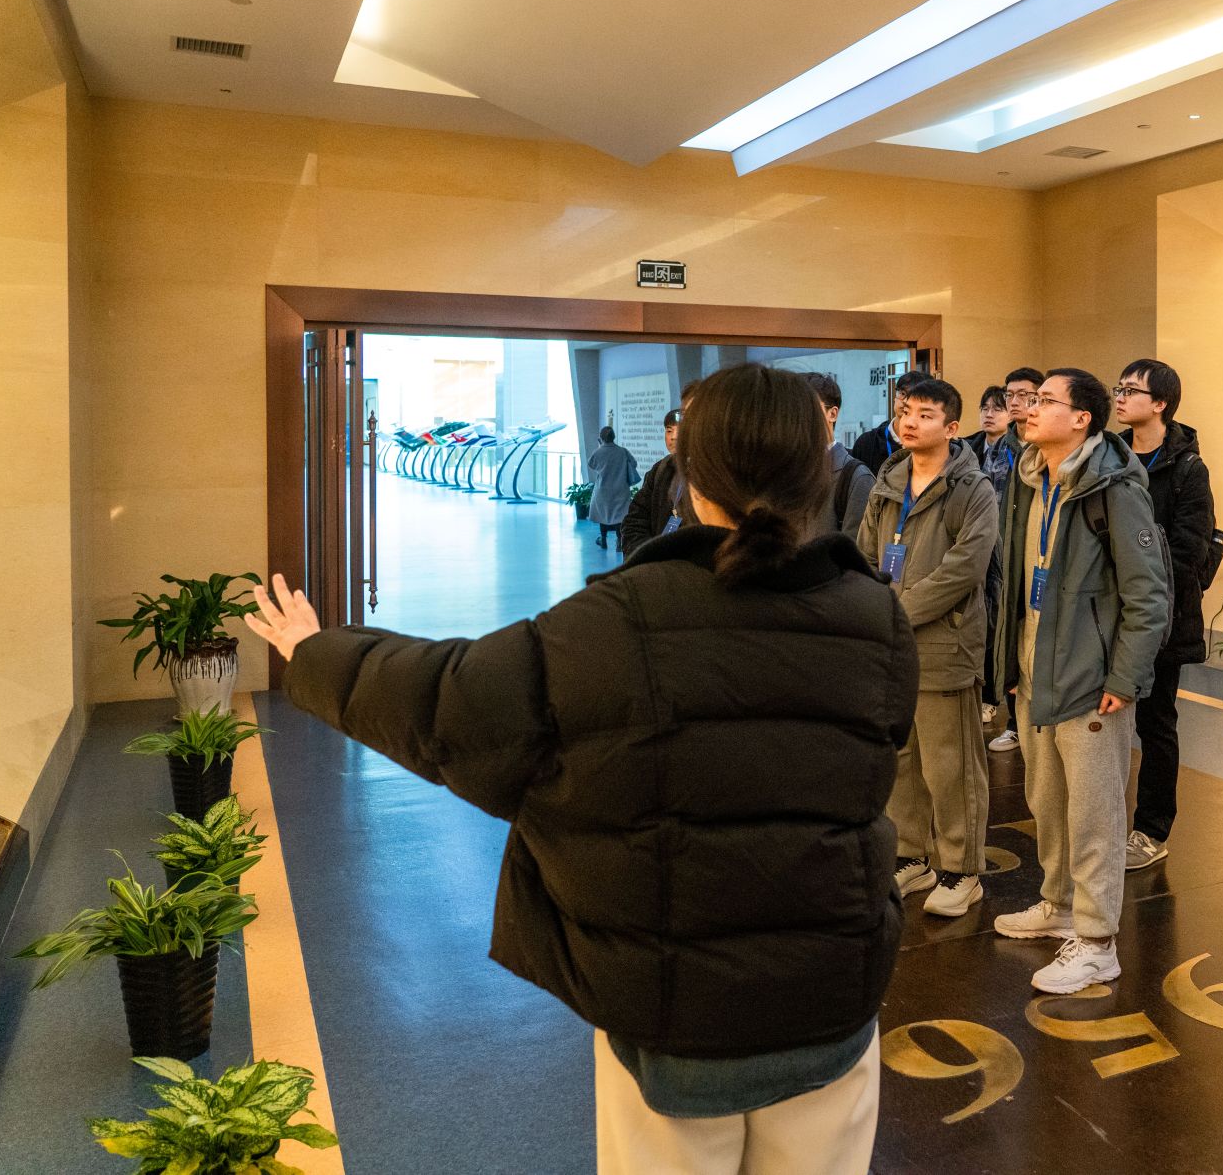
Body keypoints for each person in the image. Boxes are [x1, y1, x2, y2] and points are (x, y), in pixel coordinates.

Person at [249, 364, 917, 1175]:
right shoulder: (875, 616)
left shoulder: (617, 618)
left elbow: (451, 704)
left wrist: (316, 652)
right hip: (832, 993)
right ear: (820, 473)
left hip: (669, 1011)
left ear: (689, 475)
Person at [989, 368, 1169, 994]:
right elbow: (1016, 584)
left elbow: (1148, 595)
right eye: (1029, 400)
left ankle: (1096, 943)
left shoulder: (1113, 489)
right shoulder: (1028, 480)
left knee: (1095, 815)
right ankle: (1059, 904)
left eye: (1045, 400)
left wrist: (1126, 676)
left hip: (1093, 681)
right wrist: (1011, 670)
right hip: (1036, 671)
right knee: (1047, 802)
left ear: (1081, 418)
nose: (1030, 408)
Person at [856, 375, 1000, 919]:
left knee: (951, 764)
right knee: (901, 756)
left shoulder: (972, 489)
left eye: (924, 414)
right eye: (904, 412)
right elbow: (865, 553)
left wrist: (896, 610)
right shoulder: (888, 480)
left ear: (952, 427)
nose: (909, 422)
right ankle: (911, 855)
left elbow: (965, 568)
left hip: (945, 643)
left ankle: (963, 869)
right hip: (891, 645)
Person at [1112, 359, 1215, 872]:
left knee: (1156, 723)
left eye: (1132, 390)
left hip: (1162, 615)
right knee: (1107, 722)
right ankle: (1105, 822)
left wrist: (1136, 577)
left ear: (1160, 404)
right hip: (1109, 611)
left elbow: (1189, 548)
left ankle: (1152, 830)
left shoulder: (1188, 469)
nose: (1120, 396)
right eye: (1119, 388)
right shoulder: (1109, 456)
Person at [985, 366, 1044, 752]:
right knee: (1006, 635)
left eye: (1025, 394)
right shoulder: (999, 446)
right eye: (1010, 395)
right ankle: (1013, 720)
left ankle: (1034, 723)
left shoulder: (1042, 446)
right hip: (999, 553)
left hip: (1035, 552)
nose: (1015, 402)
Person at [621, 384, 701, 556]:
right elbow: (636, 518)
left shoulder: (710, 473)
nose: (674, 437)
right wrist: (645, 557)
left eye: (681, 430)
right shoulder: (661, 470)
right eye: (669, 431)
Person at [800, 371, 877, 540]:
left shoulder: (857, 478)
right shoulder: (783, 471)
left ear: (832, 414)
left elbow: (856, 550)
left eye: (808, 408)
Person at [587, 425, 640, 552]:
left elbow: (591, 464)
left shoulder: (598, 452)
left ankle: (603, 539)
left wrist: (601, 447)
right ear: (614, 437)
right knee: (619, 516)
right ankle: (619, 542)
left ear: (601, 437)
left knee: (603, 515)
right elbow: (634, 463)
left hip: (603, 490)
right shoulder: (622, 451)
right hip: (621, 490)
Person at [850, 377, 906, 475]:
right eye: (902, 394)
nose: (905, 401)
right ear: (895, 398)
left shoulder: (927, 444)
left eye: (913, 396)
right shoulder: (867, 443)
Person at [963, 385, 1007, 467]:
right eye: (985, 409)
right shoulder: (965, 449)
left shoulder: (1018, 451)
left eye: (997, 409)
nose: (989, 415)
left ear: (1011, 416)